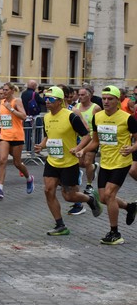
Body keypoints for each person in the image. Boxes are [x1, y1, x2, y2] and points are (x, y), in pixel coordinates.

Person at [34, 86, 102, 236]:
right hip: (52, 161)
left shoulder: (71, 116)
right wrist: (41, 145)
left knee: (69, 196)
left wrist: (78, 148)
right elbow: (48, 136)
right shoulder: (46, 117)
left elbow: (87, 136)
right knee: (48, 190)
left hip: (69, 162)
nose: (47, 102)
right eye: (46, 98)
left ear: (59, 101)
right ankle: (60, 225)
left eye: (50, 99)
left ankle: (90, 199)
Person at [76, 85, 137, 245]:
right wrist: (82, 150)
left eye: (110, 99)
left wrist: (132, 148)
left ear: (118, 100)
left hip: (121, 162)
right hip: (106, 162)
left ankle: (115, 232)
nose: (106, 101)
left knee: (109, 194)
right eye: (104, 98)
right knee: (103, 198)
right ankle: (129, 207)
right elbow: (95, 141)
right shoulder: (98, 117)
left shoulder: (127, 118)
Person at [0, 82, 34, 199]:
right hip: (5, 135)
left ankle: (29, 178)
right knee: (2, 160)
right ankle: (0, 188)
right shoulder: (2, 102)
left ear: (11, 91)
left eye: (6, 90)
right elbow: (4, 114)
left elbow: (24, 116)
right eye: (3, 90)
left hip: (16, 136)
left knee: (17, 163)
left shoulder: (17, 101)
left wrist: (11, 109)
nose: (3, 93)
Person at [67, 86, 102, 215]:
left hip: (92, 138)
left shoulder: (95, 108)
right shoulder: (76, 108)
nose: (80, 97)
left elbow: (98, 123)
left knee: (87, 162)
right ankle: (93, 167)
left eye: (83, 95)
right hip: (80, 139)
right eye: (79, 95)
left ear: (89, 96)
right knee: (81, 163)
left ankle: (88, 184)